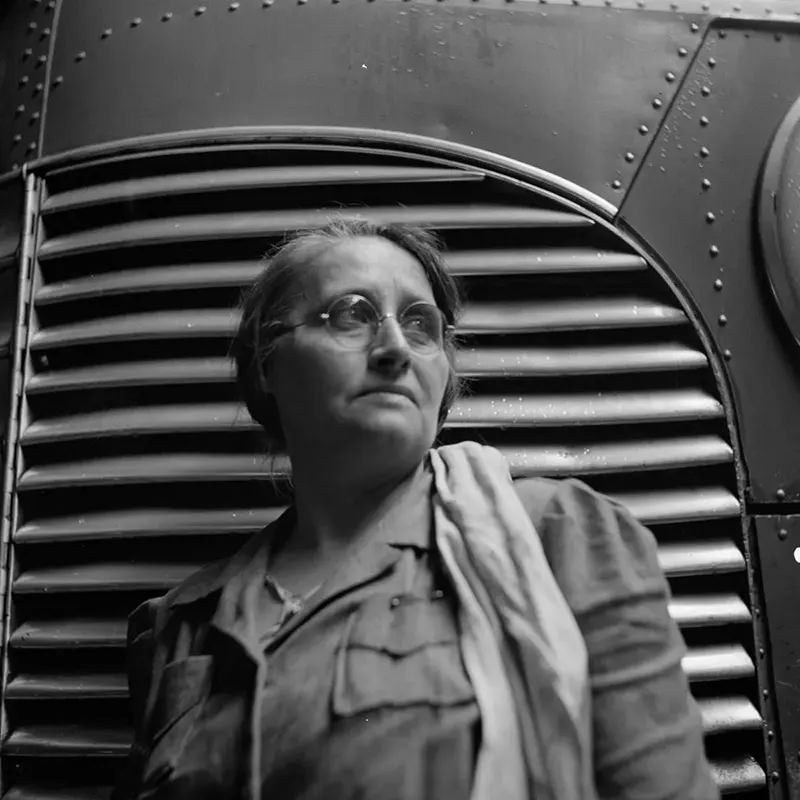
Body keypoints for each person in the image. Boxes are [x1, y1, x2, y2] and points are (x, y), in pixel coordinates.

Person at [112, 217, 719, 800]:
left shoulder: (556, 535)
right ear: (269, 363)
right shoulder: (181, 625)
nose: (395, 349)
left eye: (421, 325)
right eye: (352, 315)